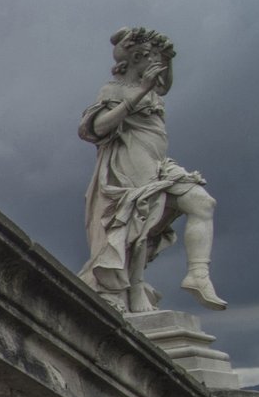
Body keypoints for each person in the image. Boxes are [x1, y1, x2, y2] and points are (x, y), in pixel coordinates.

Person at [79, 27, 225, 314]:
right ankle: (132, 290)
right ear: (136, 58)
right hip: (128, 167)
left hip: (158, 166)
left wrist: (166, 63)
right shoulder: (114, 90)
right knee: (136, 230)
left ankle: (198, 274)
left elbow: (164, 86)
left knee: (201, 202)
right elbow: (95, 128)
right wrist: (139, 93)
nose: (159, 67)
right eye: (154, 59)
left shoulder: (154, 91)